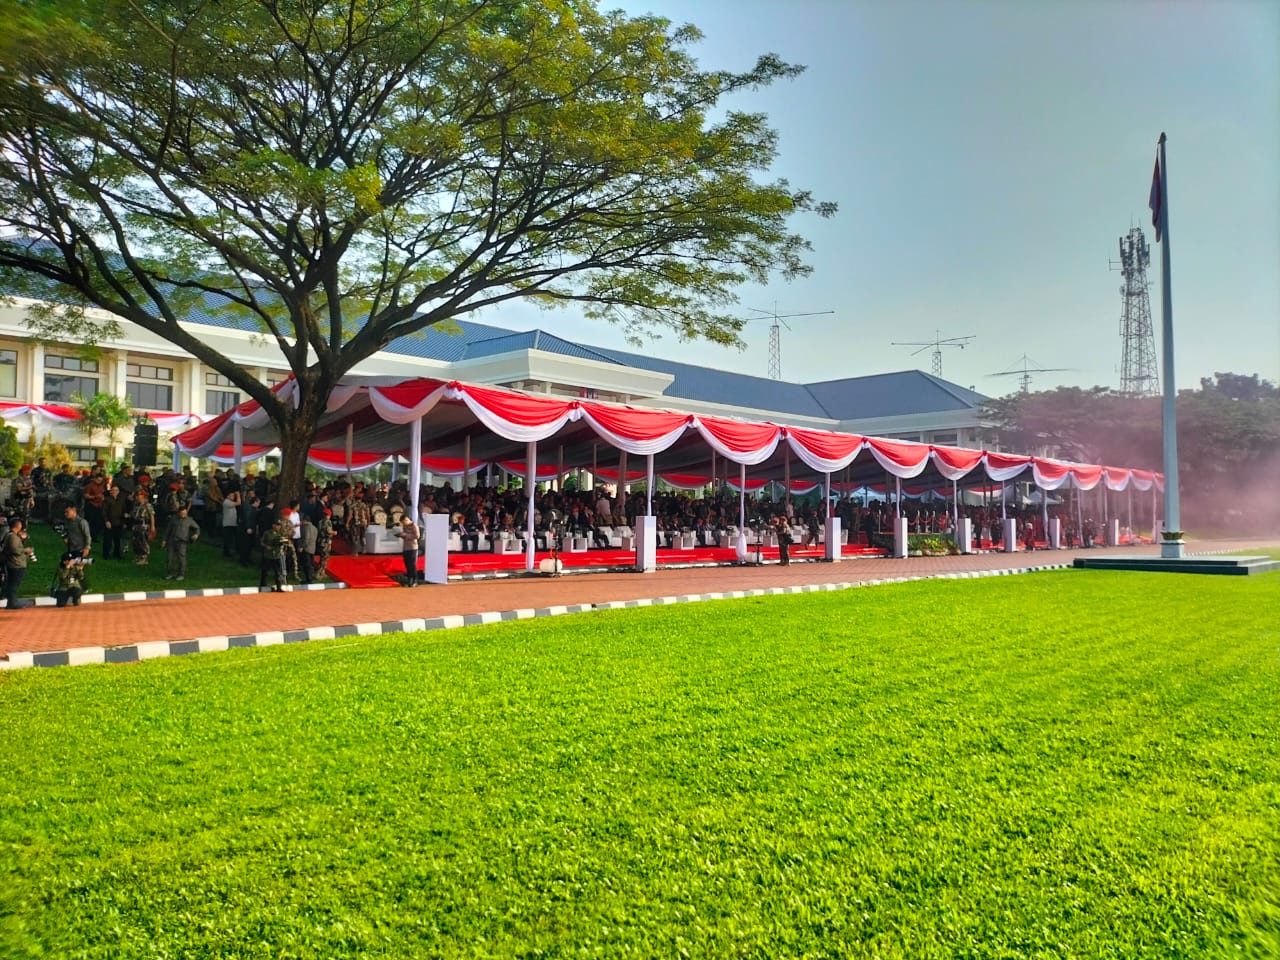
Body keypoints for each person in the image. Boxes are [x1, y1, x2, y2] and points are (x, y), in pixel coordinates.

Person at [163, 503, 201, 581]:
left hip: (182, 542)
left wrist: (196, 535)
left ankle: (181, 574)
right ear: (179, 512)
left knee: (181, 558)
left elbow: (197, 528)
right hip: (172, 541)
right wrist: (164, 540)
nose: (184, 515)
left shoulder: (189, 520)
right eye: (182, 513)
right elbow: (168, 530)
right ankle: (170, 573)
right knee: (169, 558)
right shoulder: (173, 519)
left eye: (185, 513)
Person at [2, 517, 34, 609]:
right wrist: (26, 550)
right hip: (16, 564)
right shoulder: (12, 537)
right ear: (18, 525)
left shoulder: (11, 535)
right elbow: (15, 550)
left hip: (14, 563)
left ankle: (11, 602)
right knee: (13, 584)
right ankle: (12, 602)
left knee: (13, 584)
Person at [129, 488, 156, 566]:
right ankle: (138, 556)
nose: (137, 497)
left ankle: (144, 557)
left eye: (139, 495)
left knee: (143, 541)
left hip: (144, 525)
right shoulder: (136, 505)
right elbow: (133, 514)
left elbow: (151, 515)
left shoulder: (147, 505)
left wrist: (153, 526)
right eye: (137, 495)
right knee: (136, 541)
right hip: (136, 525)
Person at [392, 514, 420, 586]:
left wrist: (405, 535)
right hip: (406, 547)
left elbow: (417, 536)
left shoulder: (414, 526)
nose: (404, 523)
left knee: (412, 564)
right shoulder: (405, 526)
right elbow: (405, 536)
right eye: (403, 522)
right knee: (407, 564)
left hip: (413, 547)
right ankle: (409, 579)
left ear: (408, 519)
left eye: (405, 521)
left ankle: (414, 580)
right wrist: (401, 535)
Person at [102, 483, 127, 559]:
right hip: (110, 521)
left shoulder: (121, 500)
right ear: (110, 491)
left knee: (117, 539)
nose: (115, 492)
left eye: (116, 490)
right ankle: (106, 554)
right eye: (113, 490)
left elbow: (124, 510)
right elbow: (104, 511)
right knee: (108, 539)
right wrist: (106, 521)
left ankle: (117, 554)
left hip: (119, 522)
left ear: (118, 491)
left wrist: (124, 521)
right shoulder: (107, 500)